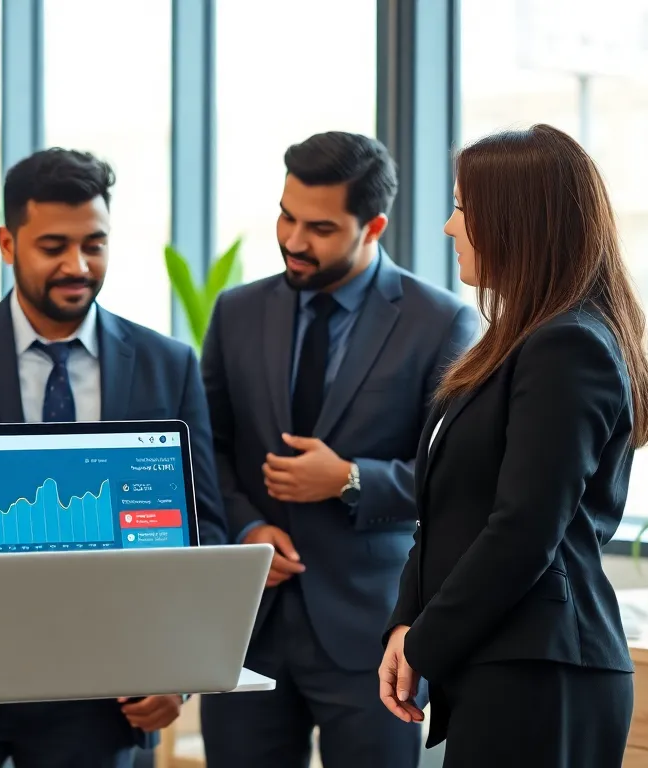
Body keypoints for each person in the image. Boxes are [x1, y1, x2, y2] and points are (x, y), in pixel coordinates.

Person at [0, 147, 228, 768]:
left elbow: (203, 529)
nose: (78, 265)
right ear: (8, 244)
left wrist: (175, 673)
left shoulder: (168, 365)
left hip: (103, 692)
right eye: (54, 247)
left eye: (94, 245)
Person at [378, 124, 648, 767]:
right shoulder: (515, 342)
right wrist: (406, 622)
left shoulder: (568, 345)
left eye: (463, 208)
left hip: (543, 672)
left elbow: (524, 530)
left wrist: (423, 641)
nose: (449, 227)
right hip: (504, 663)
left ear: (517, 223)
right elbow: (447, 515)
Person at [199, 132, 479, 768]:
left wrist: (350, 479)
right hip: (246, 625)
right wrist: (245, 528)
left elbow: (455, 479)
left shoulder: (440, 322)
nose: (294, 240)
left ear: (373, 226)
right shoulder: (236, 311)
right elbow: (207, 449)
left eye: (320, 228)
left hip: (370, 633)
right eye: (287, 217)